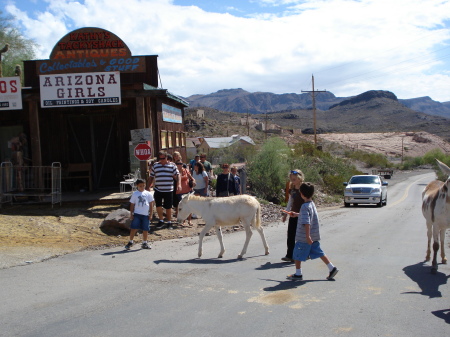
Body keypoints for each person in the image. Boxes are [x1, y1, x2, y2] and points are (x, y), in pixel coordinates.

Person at [287, 182, 339, 281]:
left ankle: (298, 274)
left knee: (297, 254)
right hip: (314, 235)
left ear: (301, 193)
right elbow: (307, 216)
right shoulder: (311, 204)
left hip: (304, 237)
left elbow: (307, 222)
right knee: (319, 252)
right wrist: (297, 214)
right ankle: (332, 268)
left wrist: (307, 236)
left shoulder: (304, 206)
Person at [147, 151, 181, 229]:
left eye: (163, 158)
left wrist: (179, 185)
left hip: (168, 190)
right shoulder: (156, 165)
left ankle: (169, 222)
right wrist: (148, 186)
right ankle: (161, 220)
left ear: (167, 157)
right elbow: (151, 176)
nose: (162, 160)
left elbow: (178, 175)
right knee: (158, 205)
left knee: (168, 207)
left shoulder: (172, 165)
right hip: (158, 189)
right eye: (160, 158)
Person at [281, 169, 305, 262]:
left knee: (301, 236)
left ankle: (303, 254)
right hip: (293, 215)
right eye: (291, 179)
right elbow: (290, 202)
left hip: (302, 215)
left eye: (294, 179)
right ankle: (290, 255)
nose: (292, 181)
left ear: (299, 178)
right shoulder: (292, 189)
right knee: (291, 235)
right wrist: (285, 214)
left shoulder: (304, 188)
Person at [125, 179, 154, 250]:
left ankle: (144, 242)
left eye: (144, 186)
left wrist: (151, 214)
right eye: (140, 186)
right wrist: (131, 214)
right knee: (134, 228)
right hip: (137, 214)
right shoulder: (135, 194)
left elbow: (151, 204)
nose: (142, 187)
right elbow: (132, 204)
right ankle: (131, 241)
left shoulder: (148, 194)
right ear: (137, 186)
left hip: (145, 214)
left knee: (145, 229)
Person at [174, 161, 194, 226]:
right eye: (177, 163)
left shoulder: (186, 170)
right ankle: (183, 220)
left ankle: (189, 220)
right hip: (179, 191)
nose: (179, 165)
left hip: (188, 190)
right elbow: (176, 178)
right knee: (182, 206)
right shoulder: (174, 171)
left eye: (180, 163)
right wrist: (184, 177)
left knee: (189, 206)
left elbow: (191, 178)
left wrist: (193, 181)